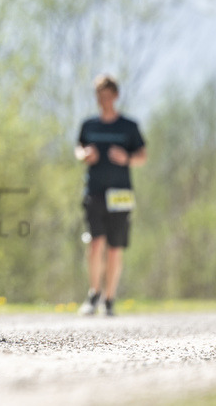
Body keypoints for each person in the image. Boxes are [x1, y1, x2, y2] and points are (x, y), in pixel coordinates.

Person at [74, 74, 147, 317]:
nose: (103, 100)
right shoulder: (89, 125)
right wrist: (85, 155)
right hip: (94, 191)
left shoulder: (129, 127)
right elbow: (78, 148)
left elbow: (142, 156)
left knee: (115, 248)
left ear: (115, 96)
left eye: (107, 95)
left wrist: (126, 158)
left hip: (121, 194)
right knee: (96, 243)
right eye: (99, 95)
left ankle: (109, 299)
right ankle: (93, 293)